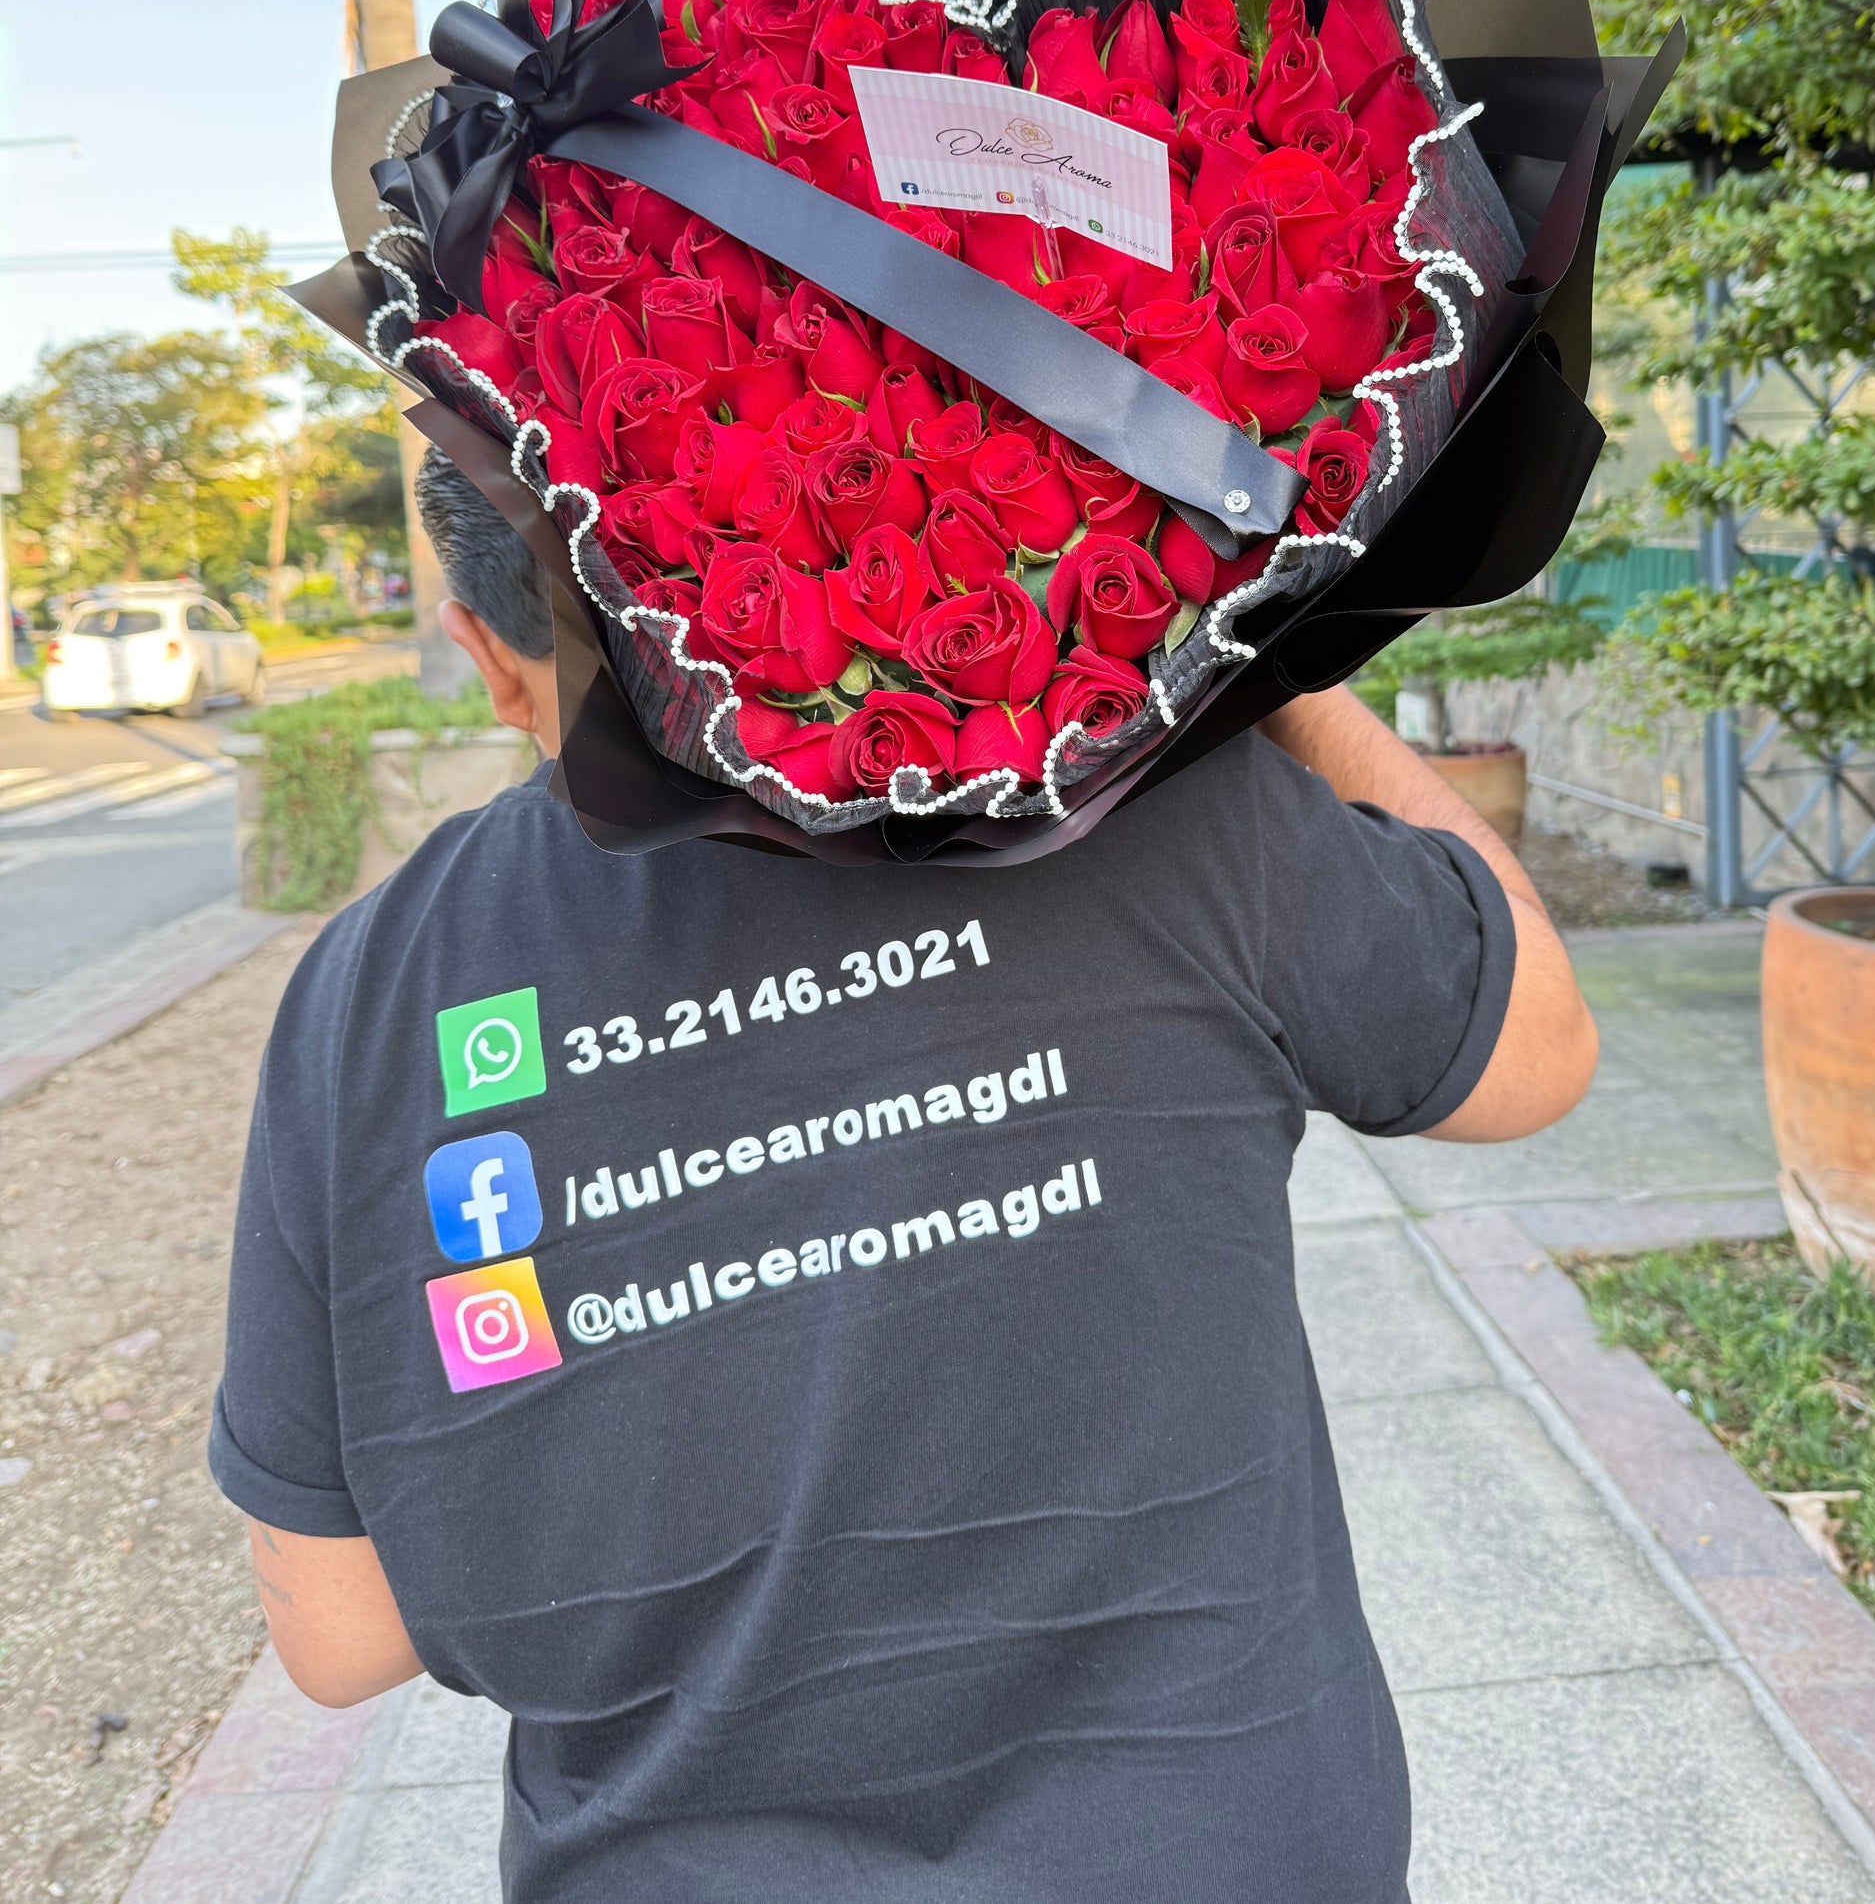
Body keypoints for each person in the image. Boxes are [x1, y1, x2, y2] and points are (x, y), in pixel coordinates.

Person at [211, 448, 1595, 1904]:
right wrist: (1265, 667)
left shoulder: (371, 992)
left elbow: (341, 1635)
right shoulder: (1159, 812)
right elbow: (1534, 1049)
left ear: (487, 653)